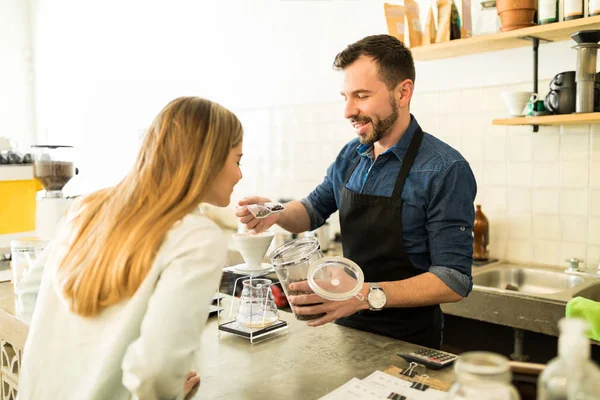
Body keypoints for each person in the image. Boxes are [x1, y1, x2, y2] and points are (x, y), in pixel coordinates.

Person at [236, 35, 476, 349]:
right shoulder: (353, 155)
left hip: (411, 344)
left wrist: (361, 296)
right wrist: (274, 213)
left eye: (361, 96)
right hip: (348, 332)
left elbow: (453, 281)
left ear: (403, 92)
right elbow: (312, 210)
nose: (348, 110)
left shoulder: (444, 169)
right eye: (346, 96)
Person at [17, 96, 244, 399]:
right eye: (237, 160)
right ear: (208, 159)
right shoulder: (199, 237)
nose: (240, 175)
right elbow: (156, 371)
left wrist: (82, 364)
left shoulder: (88, 207)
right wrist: (168, 389)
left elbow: (29, 293)